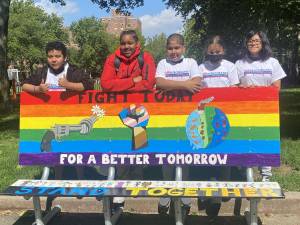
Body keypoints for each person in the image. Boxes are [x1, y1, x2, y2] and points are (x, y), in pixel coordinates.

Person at [100, 30, 156, 212]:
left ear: (136, 43)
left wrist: (121, 84)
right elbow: (106, 84)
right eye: (123, 43)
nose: (126, 47)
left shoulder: (146, 57)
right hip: (118, 109)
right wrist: (133, 80)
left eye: (129, 43)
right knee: (122, 147)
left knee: (139, 144)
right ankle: (120, 191)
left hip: (141, 108)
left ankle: (138, 179)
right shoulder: (112, 59)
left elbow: (148, 84)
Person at [155, 33, 202, 215]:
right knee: (166, 155)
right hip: (166, 117)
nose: (173, 52)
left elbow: (196, 82)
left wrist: (171, 85)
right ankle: (166, 193)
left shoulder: (191, 62)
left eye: (177, 48)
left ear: (183, 48)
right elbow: (159, 82)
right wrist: (184, 85)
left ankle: (184, 195)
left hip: (188, 116)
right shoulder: (162, 63)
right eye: (170, 48)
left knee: (185, 156)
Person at [197, 35, 239, 223]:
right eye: (211, 52)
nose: (214, 54)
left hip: (225, 115)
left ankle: (222, 189)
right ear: (207, 51)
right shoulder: (200, 68)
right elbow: (197, 89)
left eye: (218, 51)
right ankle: (205, 194)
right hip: (205, 115)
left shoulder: (230, 67)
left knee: (224, 154)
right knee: (206, 154)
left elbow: (235, 88)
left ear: (224, 51)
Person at [235, 30, 286, 182]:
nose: (253, 43)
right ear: (246, 43)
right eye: (250, 40)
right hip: (244, 108)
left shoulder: (273, 62)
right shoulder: (239, 63)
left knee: (264, 139)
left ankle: (266, 175)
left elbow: (276, 87)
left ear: (263, 43)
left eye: (257, 40)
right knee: (246, 139)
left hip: (266, 108)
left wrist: (258, 92)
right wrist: (242, 89)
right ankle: (245, 172)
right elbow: (235, 85)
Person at [22, 41, 93, 93]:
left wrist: (68, 85)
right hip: (47, 111)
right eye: (50, 57)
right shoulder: (41, 72)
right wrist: (38, 89)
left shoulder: (74, 71)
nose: (53, 60)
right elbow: (24, 85)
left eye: (58, 56)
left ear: (65, 57)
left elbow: (89, 84)